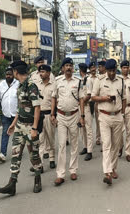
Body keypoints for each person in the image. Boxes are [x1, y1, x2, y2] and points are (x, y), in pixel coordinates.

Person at [0, 60, 42, 196]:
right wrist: (13, 123)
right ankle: (12, 183)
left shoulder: (31, 86)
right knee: (16, 153)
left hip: (29, 126)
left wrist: (34, 128)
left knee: (34, 154)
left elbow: (37, 107)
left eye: (13, 71)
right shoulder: (20, 86)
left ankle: (38, 179)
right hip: (19, 126)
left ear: (16, 72)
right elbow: (20, 107)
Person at [51, 57, 85, 186]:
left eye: (70, 65)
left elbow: (81, 99)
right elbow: (54, 97)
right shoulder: (57, 81)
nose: (68, 67)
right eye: (66, 65)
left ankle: (73, 170)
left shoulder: (78, 81)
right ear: (62, 68)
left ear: (73, 68)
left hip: (74, 115)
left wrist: (82, 116)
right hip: (61, 116)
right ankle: (60, 174)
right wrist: (52, 113)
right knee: (61, 145)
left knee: (75, 143)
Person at [91, 59, 126, 186]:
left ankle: (113, 168)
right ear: (106, 70)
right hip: (104, 116)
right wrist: (104, 98)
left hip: (117, 116)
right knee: (107, 144)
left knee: (116, 145)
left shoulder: (121, 81)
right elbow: (93, 97)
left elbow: (124, 99)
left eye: (113, 70)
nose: (112, 73)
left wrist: (122, 113)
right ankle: (107, 172)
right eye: (109, 71)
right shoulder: (99, 81)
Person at [0, 67, 19, 162]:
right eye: (7, 74)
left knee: (18, 134)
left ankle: (18, 151)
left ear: (13, 75)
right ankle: (2, 154)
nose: (8, 76)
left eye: (10, 74)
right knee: (5, 133)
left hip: (17, 115)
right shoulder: (2, 85)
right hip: (6, 115)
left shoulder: (17, 84)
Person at [37, 65, 56, 170]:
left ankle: (52, 159)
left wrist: (53, 114)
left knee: (51, 138)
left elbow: (54, 101)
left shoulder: (54, 86)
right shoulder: (37, 86)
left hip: (49, 115)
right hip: (39, 115)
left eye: (43, 72)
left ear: (48, 73)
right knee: (40, 140)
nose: (41, 74)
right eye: (40, 72)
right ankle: (40, 164)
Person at [78, 63, 94, 161]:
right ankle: (85, 146)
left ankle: (90, 151)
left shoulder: (88, 80)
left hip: (87, 106)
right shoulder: (81, 80)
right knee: (82, 128)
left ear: (80, 71)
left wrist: (82, 101)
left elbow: (89, 94)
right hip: (80, 107)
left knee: (88, 129)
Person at [95, 60, 107, 146]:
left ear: (104, 67)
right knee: (98, 124)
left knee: (104, 126)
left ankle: (104, 143)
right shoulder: (98, 78)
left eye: (100, 67)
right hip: (98, 103)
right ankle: (98, 138)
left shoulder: (107, 78)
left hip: (106, 105)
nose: (98, 68)